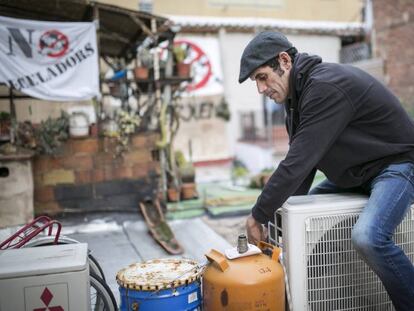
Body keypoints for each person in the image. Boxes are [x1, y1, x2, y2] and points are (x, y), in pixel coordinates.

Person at [239, 30, 414, 310]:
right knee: (307, 228)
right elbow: (304, 169)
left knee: (367, 237)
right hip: (359, 175)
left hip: (396, 166)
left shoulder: (325, 87)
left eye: (262, 77)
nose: (261, 89)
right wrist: (276, 222)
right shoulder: (295, 104)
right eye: (255, 82)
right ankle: (299, 300)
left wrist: (257, 215)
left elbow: (297, 161)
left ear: (284, 61)